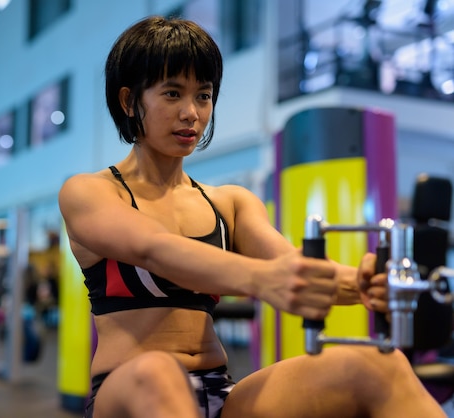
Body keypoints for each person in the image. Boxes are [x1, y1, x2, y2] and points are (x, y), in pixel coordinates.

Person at [57, 15, 445, 418]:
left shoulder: (230, 204)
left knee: (381, 365)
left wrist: (362, 283)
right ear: (128, 101)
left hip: (221, 390)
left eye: (203, 96)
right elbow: (154, 249)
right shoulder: (91, 192)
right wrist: (261, 279)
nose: (191, 112)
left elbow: (291, 265)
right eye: (172, 94)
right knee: (157, 372)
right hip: (129, 392)